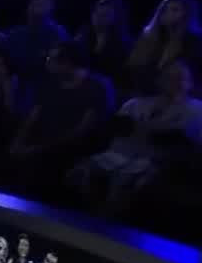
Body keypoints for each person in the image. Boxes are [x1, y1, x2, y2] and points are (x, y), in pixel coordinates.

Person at [68, 60, 202, 217]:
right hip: (118, 153)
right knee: (79, 173)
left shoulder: (197, 109)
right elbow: (117, 127)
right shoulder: (136, 103)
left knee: (127, 184)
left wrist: (147, 130)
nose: (174, 83)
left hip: (155, 160)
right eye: (168, 77)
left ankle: (106, 217)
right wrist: (152, 128)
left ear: (190, 83)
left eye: (179, 78)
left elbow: (181, 138)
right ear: (159, 80)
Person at [6, 40, 113, 196]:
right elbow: (33, 116)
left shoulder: (96, 87)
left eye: (51, 59)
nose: (47, 63)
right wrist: (18, 141)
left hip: (70, 147)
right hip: (40, 141)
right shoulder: (50, 82)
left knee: (39, 166)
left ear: (67, 63)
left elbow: (82, 131)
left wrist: (37, 149)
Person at [125, 0, 202, 97]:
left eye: (175, 10)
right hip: (148, 94)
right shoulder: (149, 38)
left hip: (182, 97)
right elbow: (134, 69)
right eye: (164, 9)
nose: (168, 13)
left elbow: (192, 77)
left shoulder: (195, 43)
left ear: (187, 14)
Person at [6, 0, 69, 83]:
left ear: (50, 9)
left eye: (41, 4)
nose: (36, 8)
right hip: (18, 84)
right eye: (34, 3)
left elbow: (60, 63)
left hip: (48, 84)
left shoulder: (58, 33)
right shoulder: (14, 34)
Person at [75, 0, 134, 85]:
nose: (98, 17)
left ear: (116, 17)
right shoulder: (84, 33)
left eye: (105, 15)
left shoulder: (124, 44)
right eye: (96, 12)